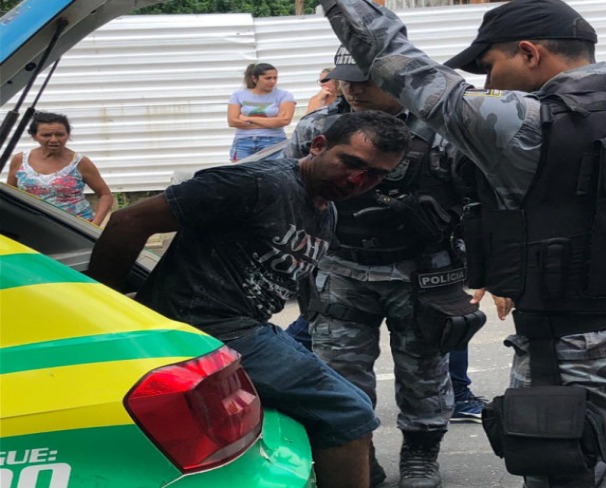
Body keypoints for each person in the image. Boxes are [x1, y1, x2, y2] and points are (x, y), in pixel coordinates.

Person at [318, 0, 606, 487]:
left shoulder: (526, 124)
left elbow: (395, 61)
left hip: (569, 358)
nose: (488, 82)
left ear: (530, 52)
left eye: (491, 65)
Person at [87, 111, 412, 488]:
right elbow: (130, 220)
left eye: (375, 175)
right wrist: (104, 310)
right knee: (350, 412)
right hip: (206, 328)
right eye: (350, 163)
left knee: (340, 408)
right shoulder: (258, 184)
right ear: (318, 145)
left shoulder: (327, 211)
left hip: (248, 330)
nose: (358, 180)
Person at [283, 45, 487, 488]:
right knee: (339, 374)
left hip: (423, 273)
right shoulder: (318, 126)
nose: (352, 88)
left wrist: (486, 271)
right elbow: (292, 192)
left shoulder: (441, 129)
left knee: (425, 372)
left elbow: (479, 203)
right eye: (345, 78)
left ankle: (420, 454)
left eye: (365, 79)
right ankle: (360, 458)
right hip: (341, 269)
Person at [6, 111, 113, 226]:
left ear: (68, 134)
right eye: (46, 135)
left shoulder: (80, 162)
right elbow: (11, 194)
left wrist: (93, 225)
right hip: (32, 225)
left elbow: (105, 195)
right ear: (34, 136)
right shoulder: (20, 160)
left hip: (73, 227)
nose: (54, 140)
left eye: (60, 135)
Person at [227, 62, 296, 162]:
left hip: (274, 141)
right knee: (241, 175)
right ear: (255, 79)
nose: (272, 81)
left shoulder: (284, 95)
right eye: (268, 78)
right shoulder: (238, 95)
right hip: (243, 142)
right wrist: (272, 122)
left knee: (273, 174)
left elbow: (284, 121)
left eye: (275, 78)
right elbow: (232, 121)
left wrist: (248, 118)